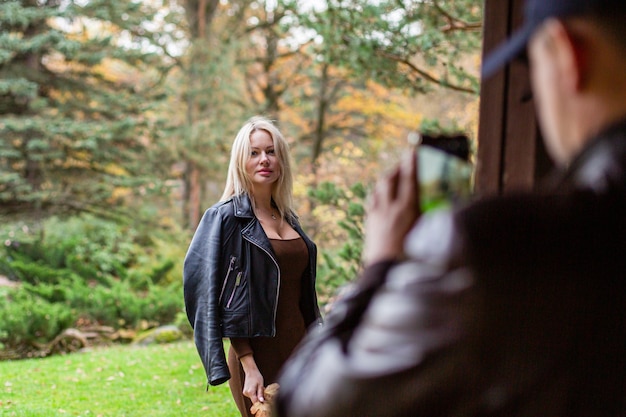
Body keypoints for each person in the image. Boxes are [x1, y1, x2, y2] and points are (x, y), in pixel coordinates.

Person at [275, 1, 626, 416]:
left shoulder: (498, 249)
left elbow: (311, 405)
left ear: (567, 53)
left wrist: (381, 266)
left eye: (534, 70)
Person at [183, 116, 321, 417]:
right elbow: (208, 295)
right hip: (257, 356)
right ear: (240, 160)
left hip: (303, 350)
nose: (264, 160)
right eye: (254, 153)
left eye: (271, 152)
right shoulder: (224, 219)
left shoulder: (288, 217)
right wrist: (248, 364)